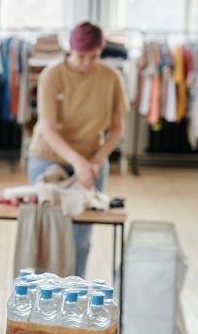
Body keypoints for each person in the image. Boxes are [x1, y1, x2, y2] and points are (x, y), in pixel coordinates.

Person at [27, 21, 128, 277]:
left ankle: (75, 291)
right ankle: (43, 295)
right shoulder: (52, 75)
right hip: (48, 155)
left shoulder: (110, 77)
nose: (86, 63)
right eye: (81, 56)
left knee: (81, 235)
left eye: (93, 56)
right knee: (47, 230)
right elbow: (48, 128)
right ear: (70, 50)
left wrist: (94, 162)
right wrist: (78, 162)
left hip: (92, 158)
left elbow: (117, 129)